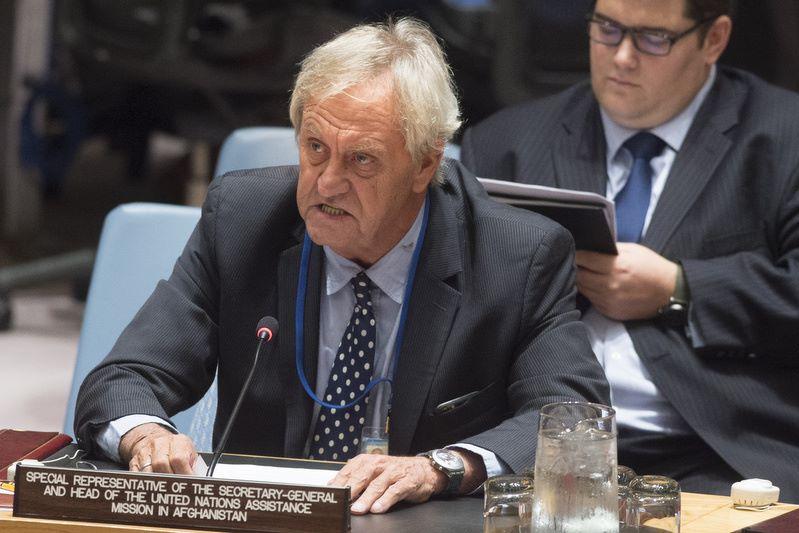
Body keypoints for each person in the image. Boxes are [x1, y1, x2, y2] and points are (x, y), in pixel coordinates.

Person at [75, 18, 610, 514]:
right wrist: (146, 436)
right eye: (315, 147)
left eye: (362, 159)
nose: (327, 183)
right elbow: (124, 378)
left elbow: (573, 417)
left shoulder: (516, 256)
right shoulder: (242, 221)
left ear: (426, 164)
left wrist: (441, 468)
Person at [461, 0, 799, 502]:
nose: (621, 56)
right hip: (541, 444)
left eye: (653, 38)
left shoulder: (784, 138)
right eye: (608, 28)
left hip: (718, 448)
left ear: (713, 39)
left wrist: (679, 288)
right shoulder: (504, 144)